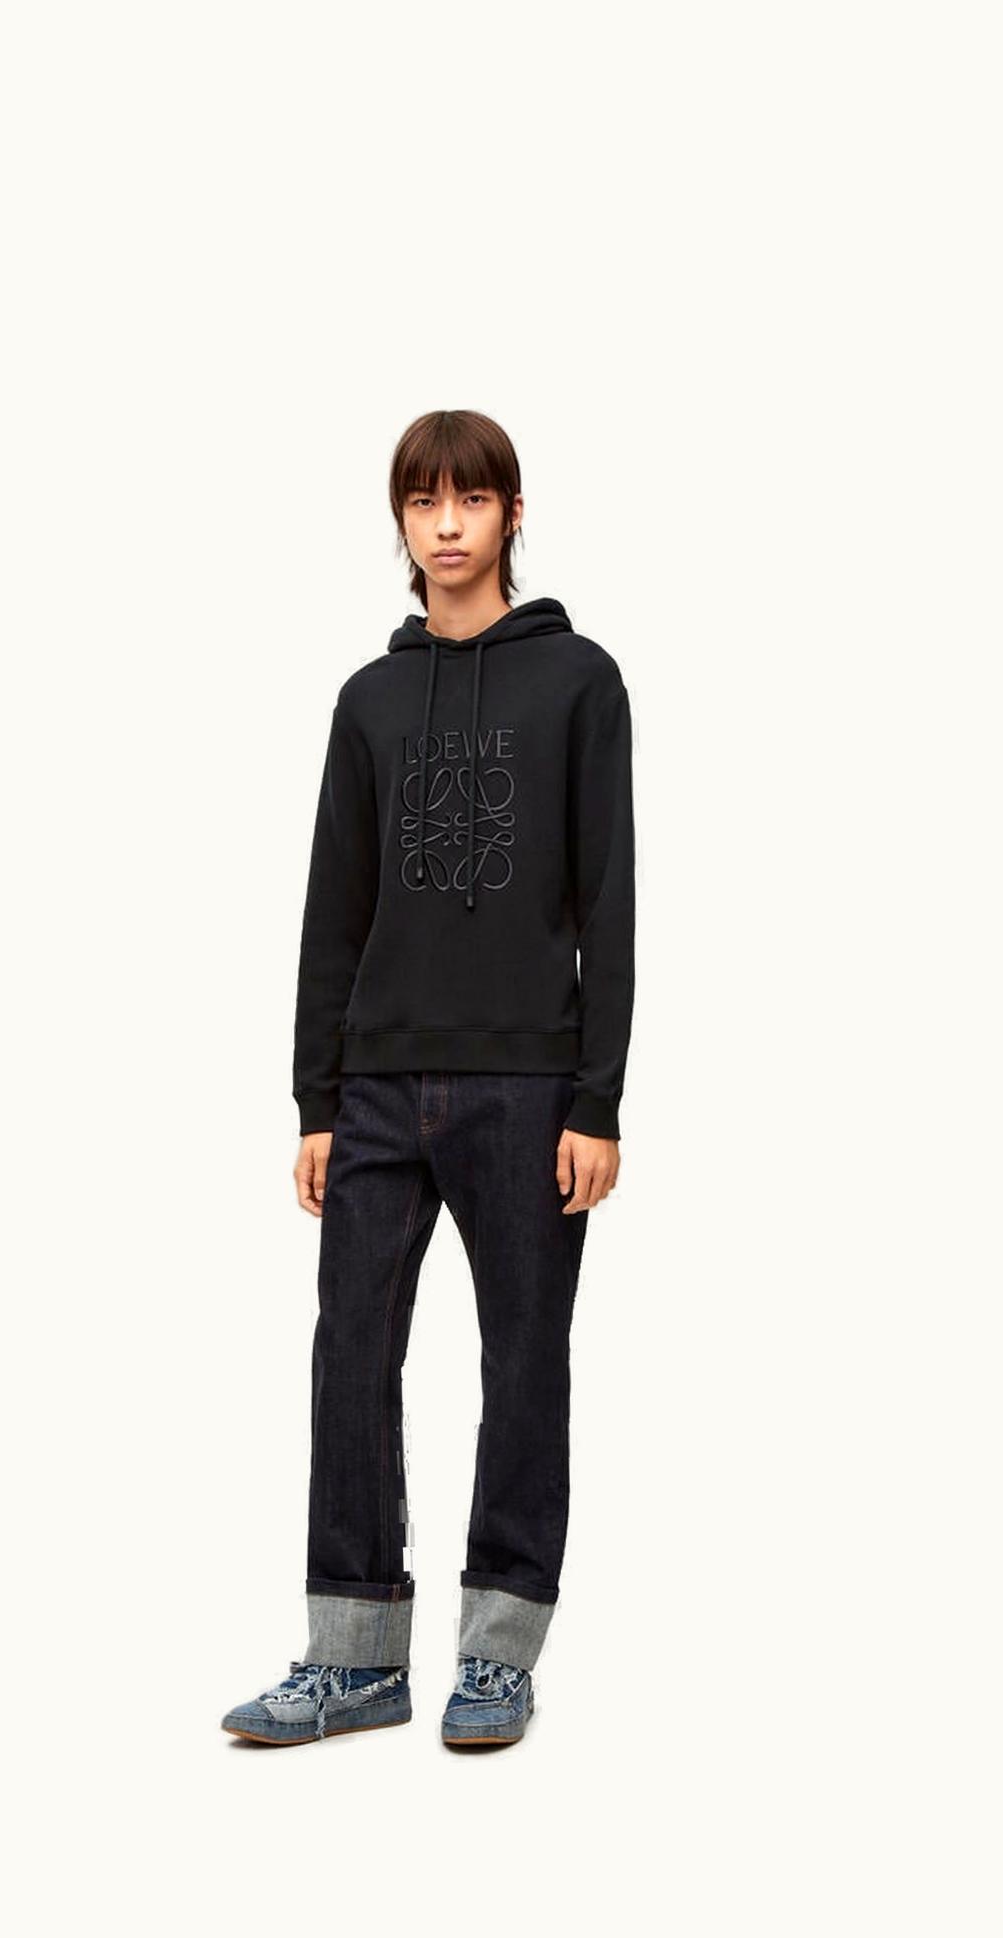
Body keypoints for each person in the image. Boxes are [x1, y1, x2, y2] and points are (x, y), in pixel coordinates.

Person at [222, 408, 636, 1749]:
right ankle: (354, 1658)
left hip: (530, 1090)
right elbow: (332, 911)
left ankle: (498, 1655)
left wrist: (596, 1101)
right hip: (380, 1092)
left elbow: (610, 902)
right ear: (401, 520)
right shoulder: (370, 701)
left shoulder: (580, 682)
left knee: (524, 1361)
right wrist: (317, 1102)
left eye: (472, 499)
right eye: (423, 501)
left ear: (513, 513)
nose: (447, 524)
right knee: (350, 1354)